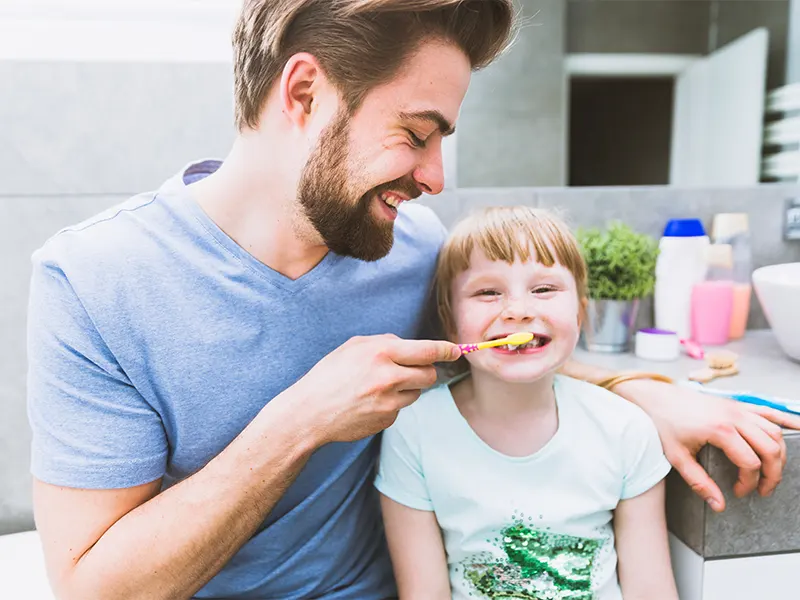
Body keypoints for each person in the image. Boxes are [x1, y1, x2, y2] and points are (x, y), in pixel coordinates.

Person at [25, 1, 798, 599]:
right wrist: (300, 422)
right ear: (303, 92)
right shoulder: (95, 281)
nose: (434, 176)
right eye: (416, 133)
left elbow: (500, 352)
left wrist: (638, 394)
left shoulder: (416, 248)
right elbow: (96, 586)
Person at [376, 206, 679, 600]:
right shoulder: (413, 430)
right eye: (488, 292)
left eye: (544, 289)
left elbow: (651, 590)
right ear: (451, 324)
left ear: (580, 314)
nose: (517, 310)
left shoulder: (626, 429)